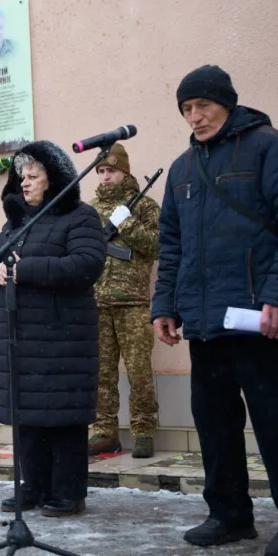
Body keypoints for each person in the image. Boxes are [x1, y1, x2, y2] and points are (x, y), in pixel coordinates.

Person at [152, 64, 278, 556]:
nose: (194, 117)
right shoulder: (183, 169)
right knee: (214, 422)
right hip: (205, 324)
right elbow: (172, 244)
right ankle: (229, 514)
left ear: (226, 102)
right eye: (186, 109)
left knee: (276, 422)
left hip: (257, 318)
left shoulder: (272, 147)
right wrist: (165, 304)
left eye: (202, 105)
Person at [0, 140, 106, 517]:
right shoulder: (16, 222)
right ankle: (32, 486)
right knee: (28, 418)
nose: (25, 182)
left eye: (33, 175)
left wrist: (25, 269)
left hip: (61, 338)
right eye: (22, 176)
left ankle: (68, 492)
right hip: (20, 338)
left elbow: (87, 264)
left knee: (62, 418)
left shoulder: (80, 217)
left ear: (54, 180)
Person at [86, 143, 161, 458]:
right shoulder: (88, 210)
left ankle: (143, 431)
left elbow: (158, 246)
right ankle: (104, 432)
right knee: (101, 373)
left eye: (111, 171)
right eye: (101, 171)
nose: (105, 177)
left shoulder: (144, 205)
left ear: (125, 172)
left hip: (133, 303)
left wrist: (126, 223)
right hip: (97, 303)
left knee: (139, 371)